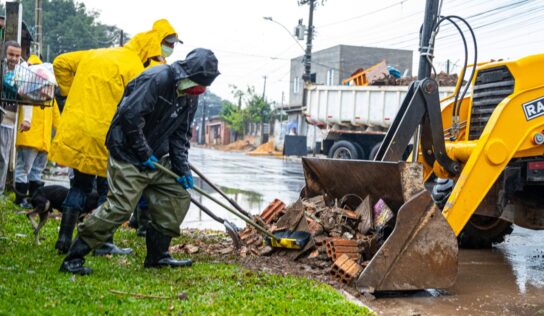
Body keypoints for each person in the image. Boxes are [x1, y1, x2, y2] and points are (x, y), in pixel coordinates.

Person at [59, 48, 220, 275]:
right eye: (198, 84)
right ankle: (73, 258)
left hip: (157, 156)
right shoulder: (157, 78)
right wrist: (144, 154)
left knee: (177, 196)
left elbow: (180, 136)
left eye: (204, 86)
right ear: (186, 75)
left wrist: (182, 168)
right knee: (120, 208)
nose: (200, 90)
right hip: (127, 150)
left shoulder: (190, 98)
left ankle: (158, 256)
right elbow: (130, 118)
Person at [50, 19, 181, 255]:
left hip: (78, 128)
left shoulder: (95, 54)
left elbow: (60, 63)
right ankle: (103, 243)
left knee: (79, 185)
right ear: (151, 46)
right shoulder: (135, 69)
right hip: (105, 134)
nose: (168, 51)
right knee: (107, 191)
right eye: (167, 45)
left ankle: (63, 240)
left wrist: (71, 94)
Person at [13, 55, 61, 208]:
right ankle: (23, 200)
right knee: (29, 170)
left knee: (30, 171)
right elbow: (57, 119)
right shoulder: (39, 91)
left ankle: (28, 200)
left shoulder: (34, 89)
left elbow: (56, 117)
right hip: (35, 138)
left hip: (37, 139)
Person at [0, 41, 33, 198]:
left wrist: (27, 119)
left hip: (8, 116)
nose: (13, 58)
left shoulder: (24, 71)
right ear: (5, 53)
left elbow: (28, 96)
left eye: (17, 55)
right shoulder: (1, 66)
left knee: (2, 155)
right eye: (11, 54)